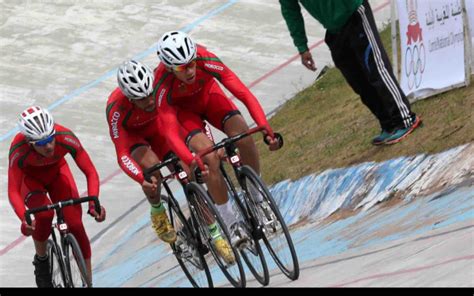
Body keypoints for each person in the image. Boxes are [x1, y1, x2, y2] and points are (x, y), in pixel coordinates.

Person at [153, 31, 282, 263]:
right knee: (210, 158)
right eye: (182, 69)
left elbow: (242, 92)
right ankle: (231, 223)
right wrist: (194, 160)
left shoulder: (205, 58)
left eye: (191, 64)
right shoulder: (160, 83)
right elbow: (169, 133)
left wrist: (265, 127)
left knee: (243, 135)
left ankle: (256, 198)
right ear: (170, 68)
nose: (190, 71)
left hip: (209, 97)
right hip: (184, 115)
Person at [279, 0, 422, 145]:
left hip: (355, 14)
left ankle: (405, 119)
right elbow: (290, 11)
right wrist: (302, 47)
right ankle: (388, 123)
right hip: (334, 30)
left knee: (376, 69)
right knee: (358, 82)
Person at [8, 106, 106, 287]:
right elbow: (13, 191)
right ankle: (42, 260)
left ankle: (88, 282)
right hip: (30, 181)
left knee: (75, 224)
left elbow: (90, 171)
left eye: (50, 139)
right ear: (30, 142)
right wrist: (24, 219)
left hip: (57, 173)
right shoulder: (18, 149)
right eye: (41, 143)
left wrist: (94, 202)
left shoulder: (65, 136)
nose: (48, 146)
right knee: (44, 215)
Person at [106, 59, 186, 245]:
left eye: (151, 94)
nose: (150, 101)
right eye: (142, 99)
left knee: (185, 168)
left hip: (157, 127)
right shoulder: (116, 109)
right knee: (153, 170)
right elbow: (122, 154)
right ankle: (158, 211)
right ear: (130, 98)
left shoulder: (159, 83)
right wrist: (141, 179)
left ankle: (198, 207)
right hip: (134, 137)